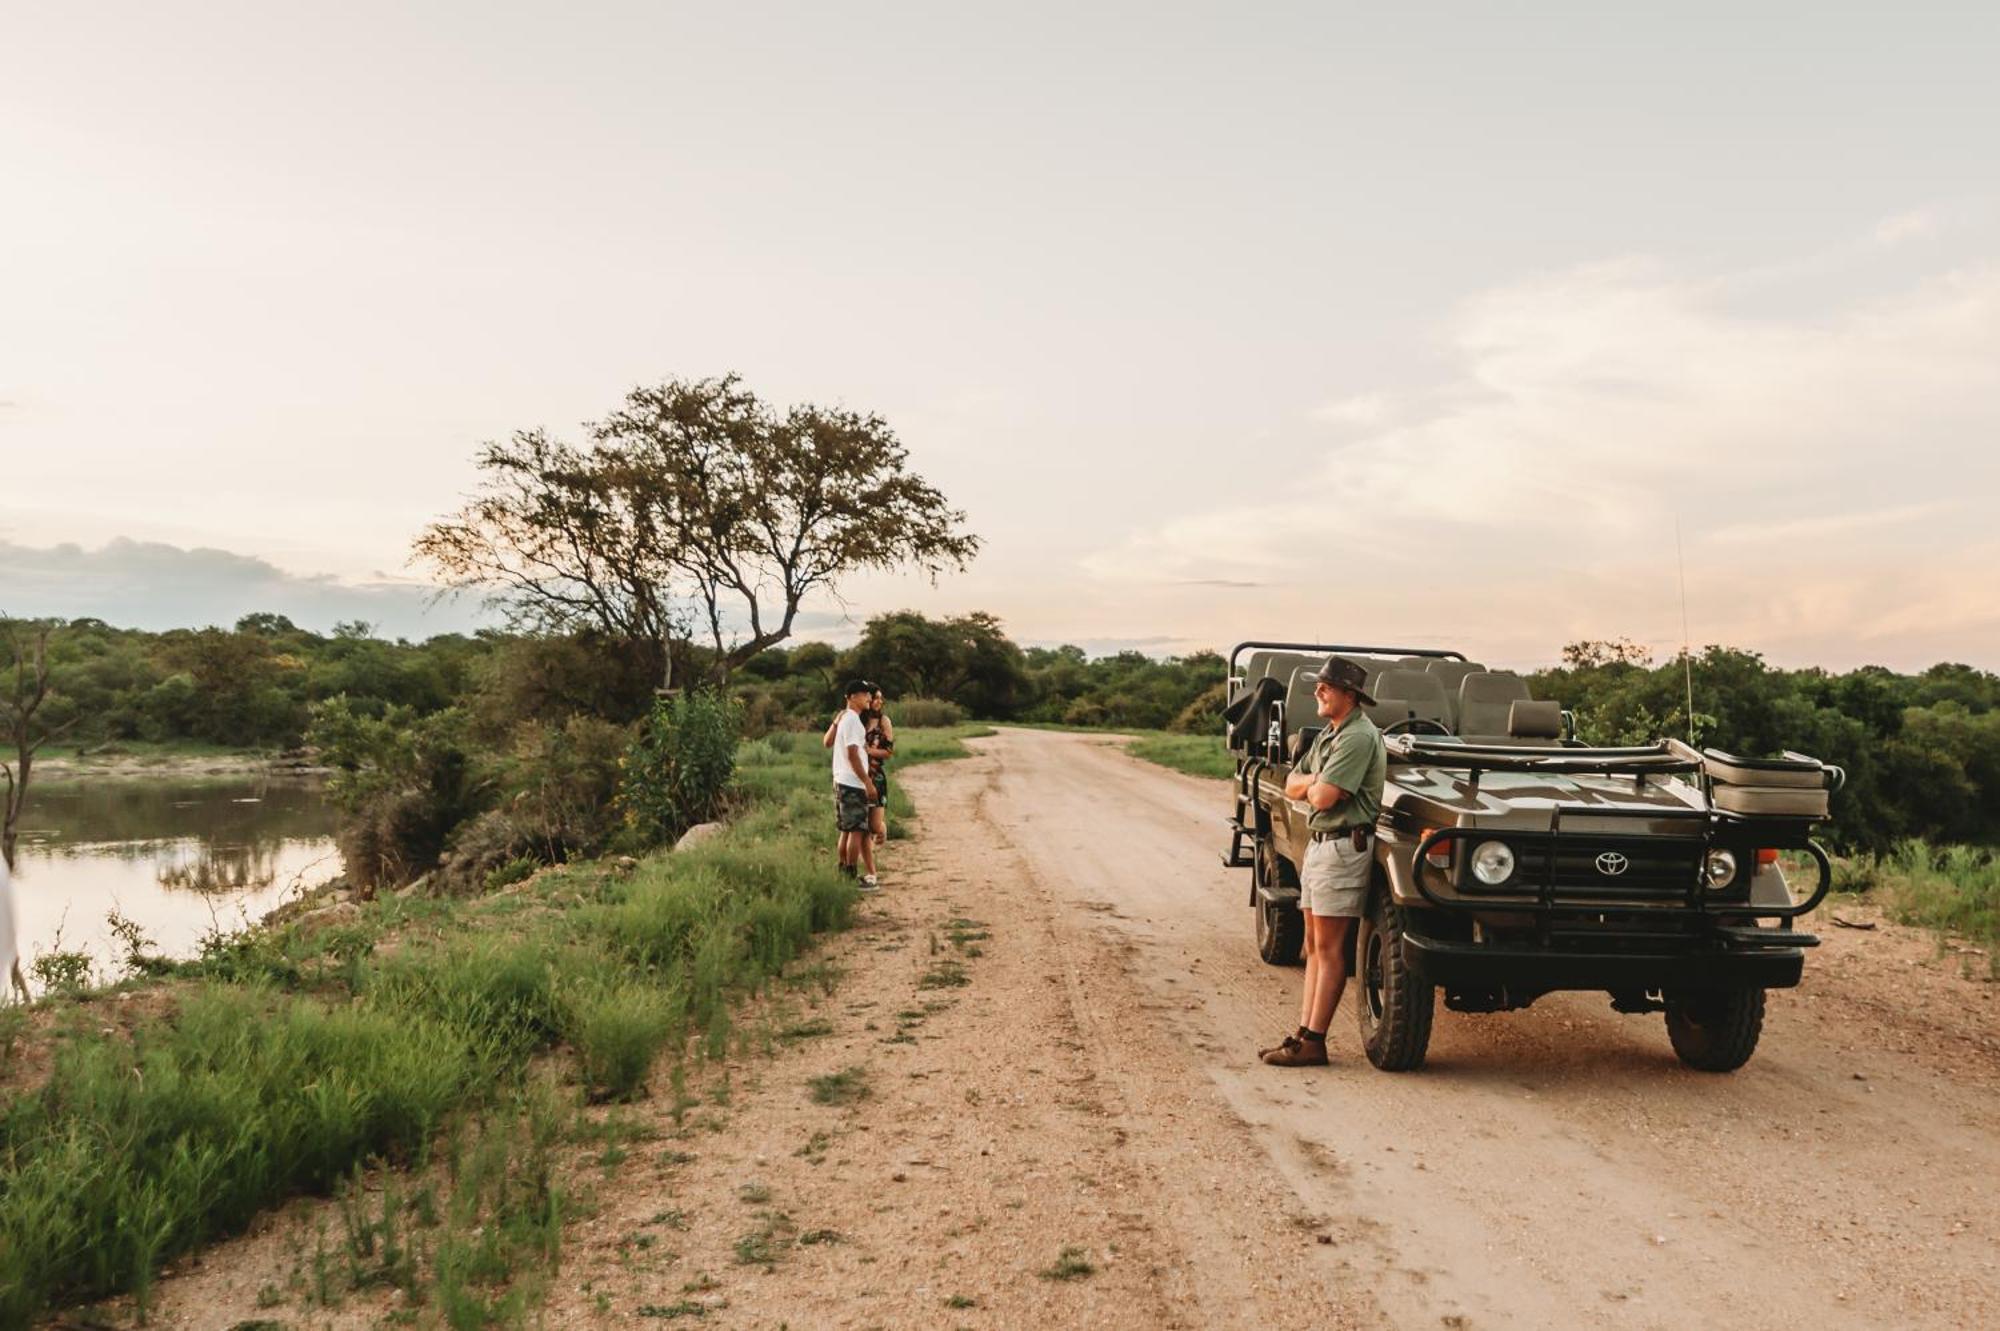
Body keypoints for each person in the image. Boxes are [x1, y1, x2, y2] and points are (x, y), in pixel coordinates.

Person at [1260, 656, 1387, 1068]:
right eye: (1320, 685)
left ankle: (1315, 1039)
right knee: (1313, 945)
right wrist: (1316, 781)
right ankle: (1303, 1034)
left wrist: (1314, 784)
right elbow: (1294, 782)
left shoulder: (1357, 738)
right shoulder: (1332, 735)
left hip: (1343, 847)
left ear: (1349, 695)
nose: (1318, 691)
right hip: (1321, 844)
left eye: (1326, 686)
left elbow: (1323, 798)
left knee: (1330, 949)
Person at [824, 679, 880, 891]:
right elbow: (852, 755)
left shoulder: (844, 718)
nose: (869, 698)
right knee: (856, 830)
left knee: (846, 831)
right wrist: (867, 783)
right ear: (853, 697)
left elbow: (828, 743)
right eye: (865, 694)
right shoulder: (854, 721)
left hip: (840, 780)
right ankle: (851, 875)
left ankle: (843, 873)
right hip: (853, 783)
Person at [865, 687, 895, 850]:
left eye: (880, 698)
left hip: (876, 776)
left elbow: (888, 751)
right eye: (875, 698)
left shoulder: (884, 721)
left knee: (874, 826)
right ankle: (866, 862)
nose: (879, 701)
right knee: (861, 825)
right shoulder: (858, 720)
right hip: (857, 775)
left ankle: (881, 828)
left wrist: (869, 751)